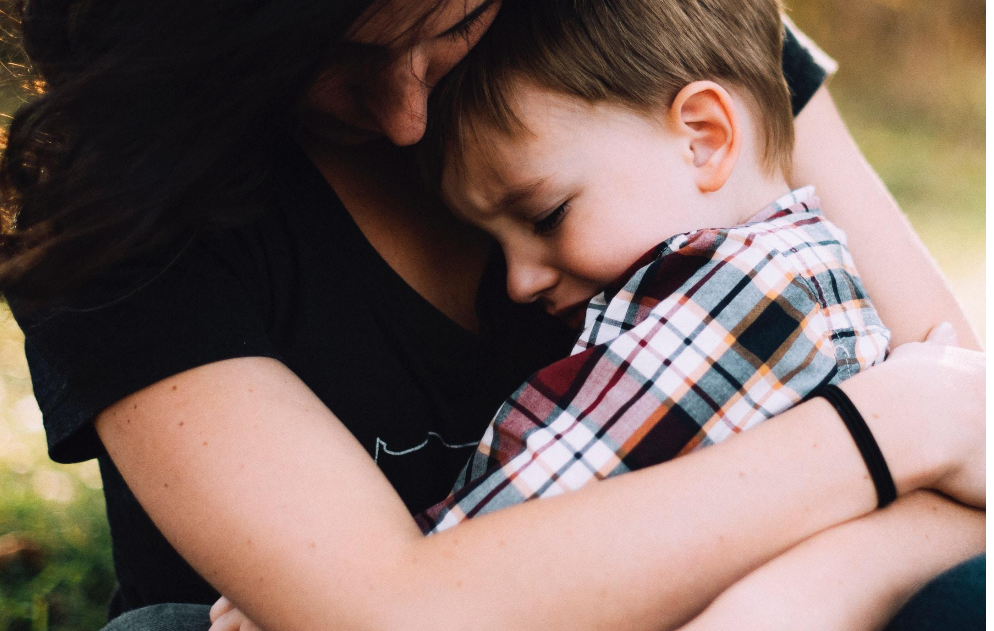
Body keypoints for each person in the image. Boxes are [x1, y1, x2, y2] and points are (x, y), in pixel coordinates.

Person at [0, 1, 983, 630]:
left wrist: (808, 594)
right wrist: (891, 429)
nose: (403, 118)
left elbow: (978, 474)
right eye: (328, 59)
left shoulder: (653, 37)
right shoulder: (106, 198)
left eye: (453, 21)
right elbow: (388, 618)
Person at [413, 0, 893, 532]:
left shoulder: (746, 298)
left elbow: (501, 536)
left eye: (547, 217)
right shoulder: (796, 271)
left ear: (704, 139)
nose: (517, 282)